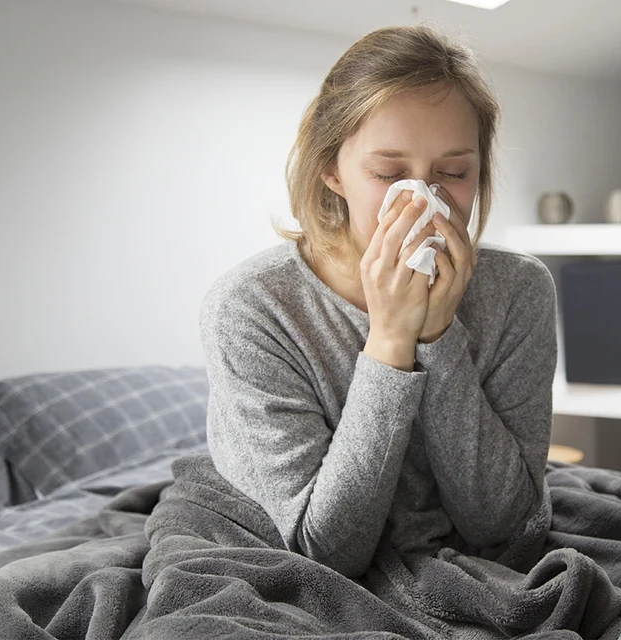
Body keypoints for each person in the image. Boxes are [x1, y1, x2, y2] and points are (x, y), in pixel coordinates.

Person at [200, 25, 557, 578]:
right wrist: (391, 340)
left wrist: (439, 339)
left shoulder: (518, 290)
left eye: (454, 172)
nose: (424, 199)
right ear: (330, 169)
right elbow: (326, 551)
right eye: (388, 173)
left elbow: (506, 528)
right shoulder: (253, 308)